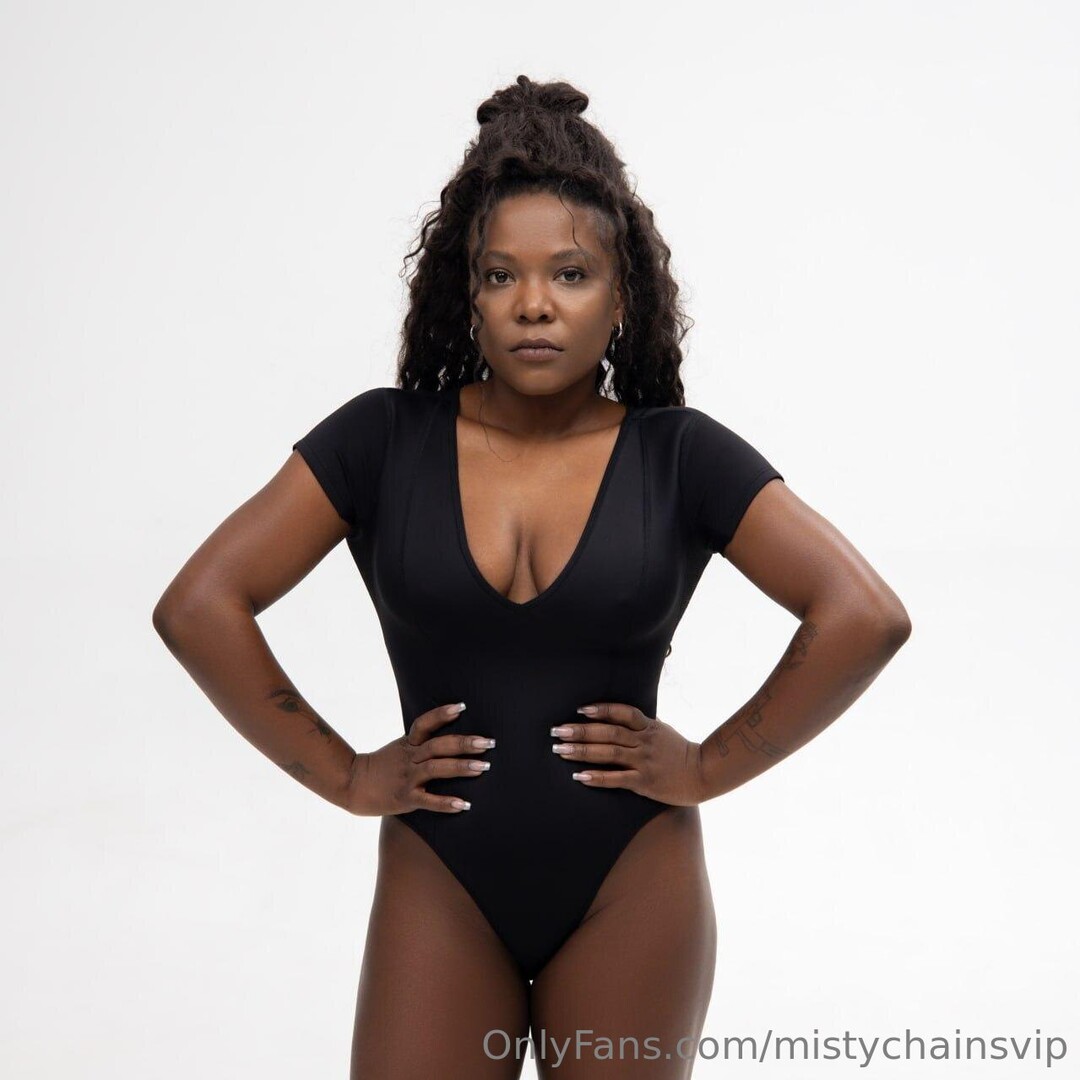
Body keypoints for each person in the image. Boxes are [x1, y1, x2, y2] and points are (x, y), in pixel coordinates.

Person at [153, 75, 911, 1079]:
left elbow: (863, 614)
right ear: (466, 295)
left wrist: (707, 767)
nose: (535, 304)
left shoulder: (679, 455)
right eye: (501, 275)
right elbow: (200, 605)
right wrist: (345, 775)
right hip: (439, 878)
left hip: (632, 884)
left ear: (622, 296)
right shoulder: (382, 441)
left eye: (571, 273)